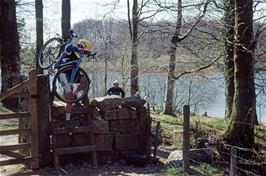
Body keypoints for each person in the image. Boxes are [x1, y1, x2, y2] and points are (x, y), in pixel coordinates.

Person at [58, 38, 92, 121]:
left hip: (72, 74)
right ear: (81, 45)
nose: (82, 51)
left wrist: (90, 54)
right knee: (69, 98)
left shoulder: (80, 54)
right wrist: (80, 49)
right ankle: (67, 119)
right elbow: (68, 48)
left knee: (86, 80)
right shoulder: (72, 47)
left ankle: (75, 94)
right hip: (63, 74)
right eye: (83, 48)